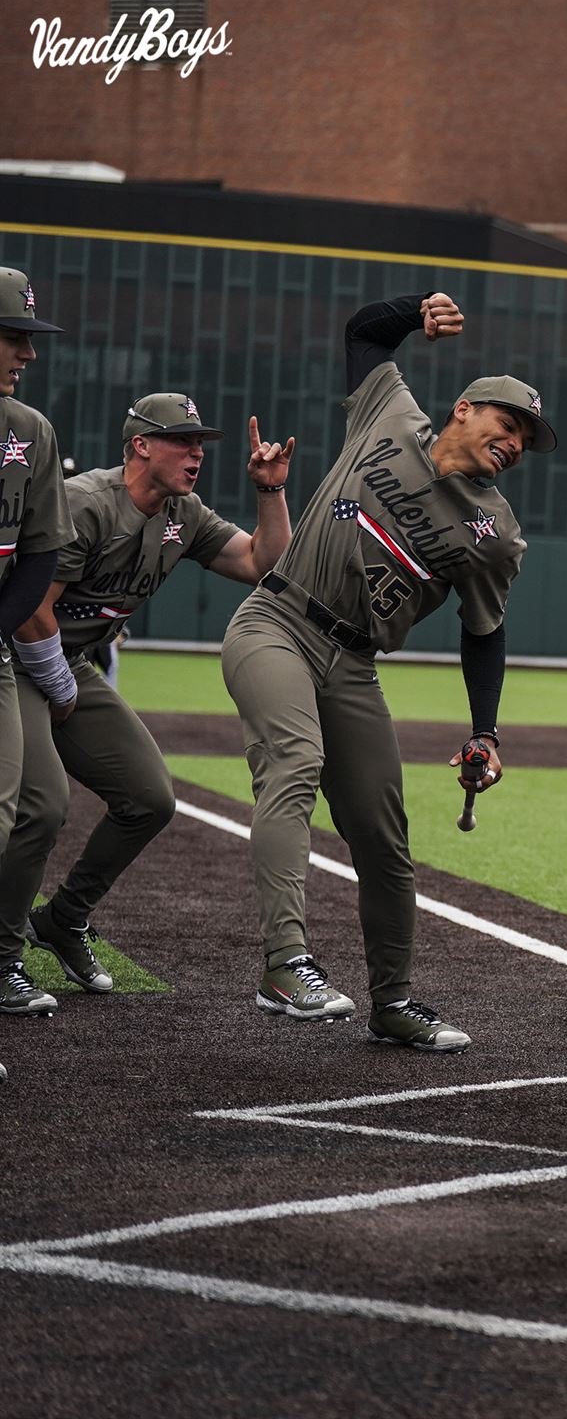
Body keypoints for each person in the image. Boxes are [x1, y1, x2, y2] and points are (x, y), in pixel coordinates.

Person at [221, 292, 547, 1052]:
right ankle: (285, 963)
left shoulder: (493, 532)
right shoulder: (391, 413)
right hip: (277, 621)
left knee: (383, 841)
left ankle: (392, 1002)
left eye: (528, 440)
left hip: (355, 666)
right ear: (465, 410)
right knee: (295, 764)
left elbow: (484, 634)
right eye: (510, 425)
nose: (517, 444)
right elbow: (364, 333)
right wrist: (415, 312)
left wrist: (485, 733)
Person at [0, 394, 292, 1009]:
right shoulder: (86, 502)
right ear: (140, 445)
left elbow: (261, 561)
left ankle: (63, 919)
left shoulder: (182, 512)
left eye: (201, 444)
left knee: (150, 800)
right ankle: (2, 959)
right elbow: (31, 608)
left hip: (69, 665)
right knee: (43, 807)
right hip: (21, 659)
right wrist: (58, 686)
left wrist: (270, 492)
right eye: (183, 441)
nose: (196, 454)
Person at [0, 267, 78, 1023]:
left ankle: (0, 961)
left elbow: (40, 558)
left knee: (31, 808)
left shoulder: (28, 430)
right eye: (15, 336)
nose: (27, 352)